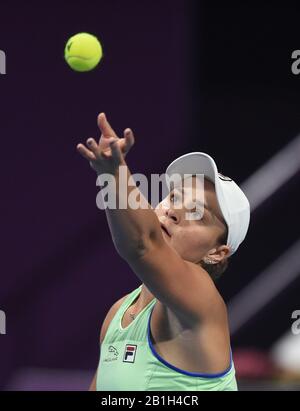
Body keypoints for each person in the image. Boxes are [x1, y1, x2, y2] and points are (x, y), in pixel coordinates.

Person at [77, 113, 250, 391]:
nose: (173, 211)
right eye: (173, 197)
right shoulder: (117, 314)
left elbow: (143, 244)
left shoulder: (203, 302)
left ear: (218, 252)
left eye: (197, 213)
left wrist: (114, 174)